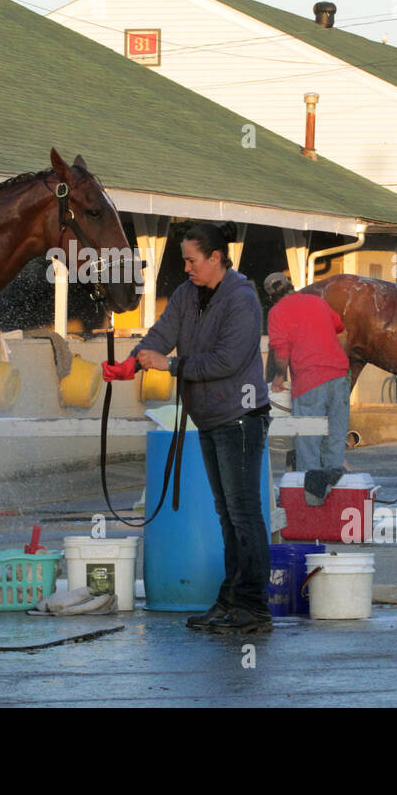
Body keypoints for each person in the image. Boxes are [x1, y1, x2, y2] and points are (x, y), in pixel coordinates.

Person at [102, 221, 272, 634]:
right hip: (212, 419)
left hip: (241, 418)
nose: (187, 268)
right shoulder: (186, 294)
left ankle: (252, 606)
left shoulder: (242, 299)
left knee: (243, 514)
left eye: (192, 260)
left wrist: (171, 365)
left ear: (216, 258)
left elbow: (226, 361)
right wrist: (135, 358)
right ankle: (233, 600)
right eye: (184, 261)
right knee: (228, 515)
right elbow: (163, 333)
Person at [263, 272, 350, 501]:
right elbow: (339, 327)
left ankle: (312, 505)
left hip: (310, 383)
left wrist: (279, 377)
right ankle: (335, 500)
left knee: (308, 444)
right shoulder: (317, 301)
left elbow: (281, 353)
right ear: (292, 286)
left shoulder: (277, 312)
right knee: (335, 439)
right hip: (339, 378)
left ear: (271, 297)